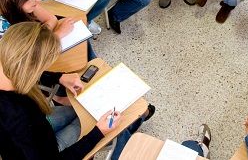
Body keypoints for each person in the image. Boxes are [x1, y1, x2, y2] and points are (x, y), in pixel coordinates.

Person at [0, 22, 153, 160]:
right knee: (99, 123)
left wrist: (59, 77)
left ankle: (135, 119)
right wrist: (98, 133)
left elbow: (27, 72)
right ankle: (133, 122)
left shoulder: (8, 67)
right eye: (43, 66)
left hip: (39, 126)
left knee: (85, 109)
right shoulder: (15, 119)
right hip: (48, 151)